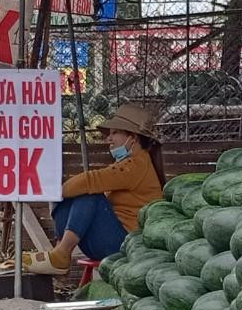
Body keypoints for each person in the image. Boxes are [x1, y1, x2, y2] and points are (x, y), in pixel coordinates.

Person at [43, 104, 165, 273]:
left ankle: (62, 253)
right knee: (76, 195)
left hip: (127, 245)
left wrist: (54, 192)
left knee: (89, 195)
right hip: (110, 241)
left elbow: (90, 180)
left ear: (133, 137)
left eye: (115, 133)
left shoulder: (137, 165)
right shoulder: (128, 163)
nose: (108, 138)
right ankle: (60, 251)